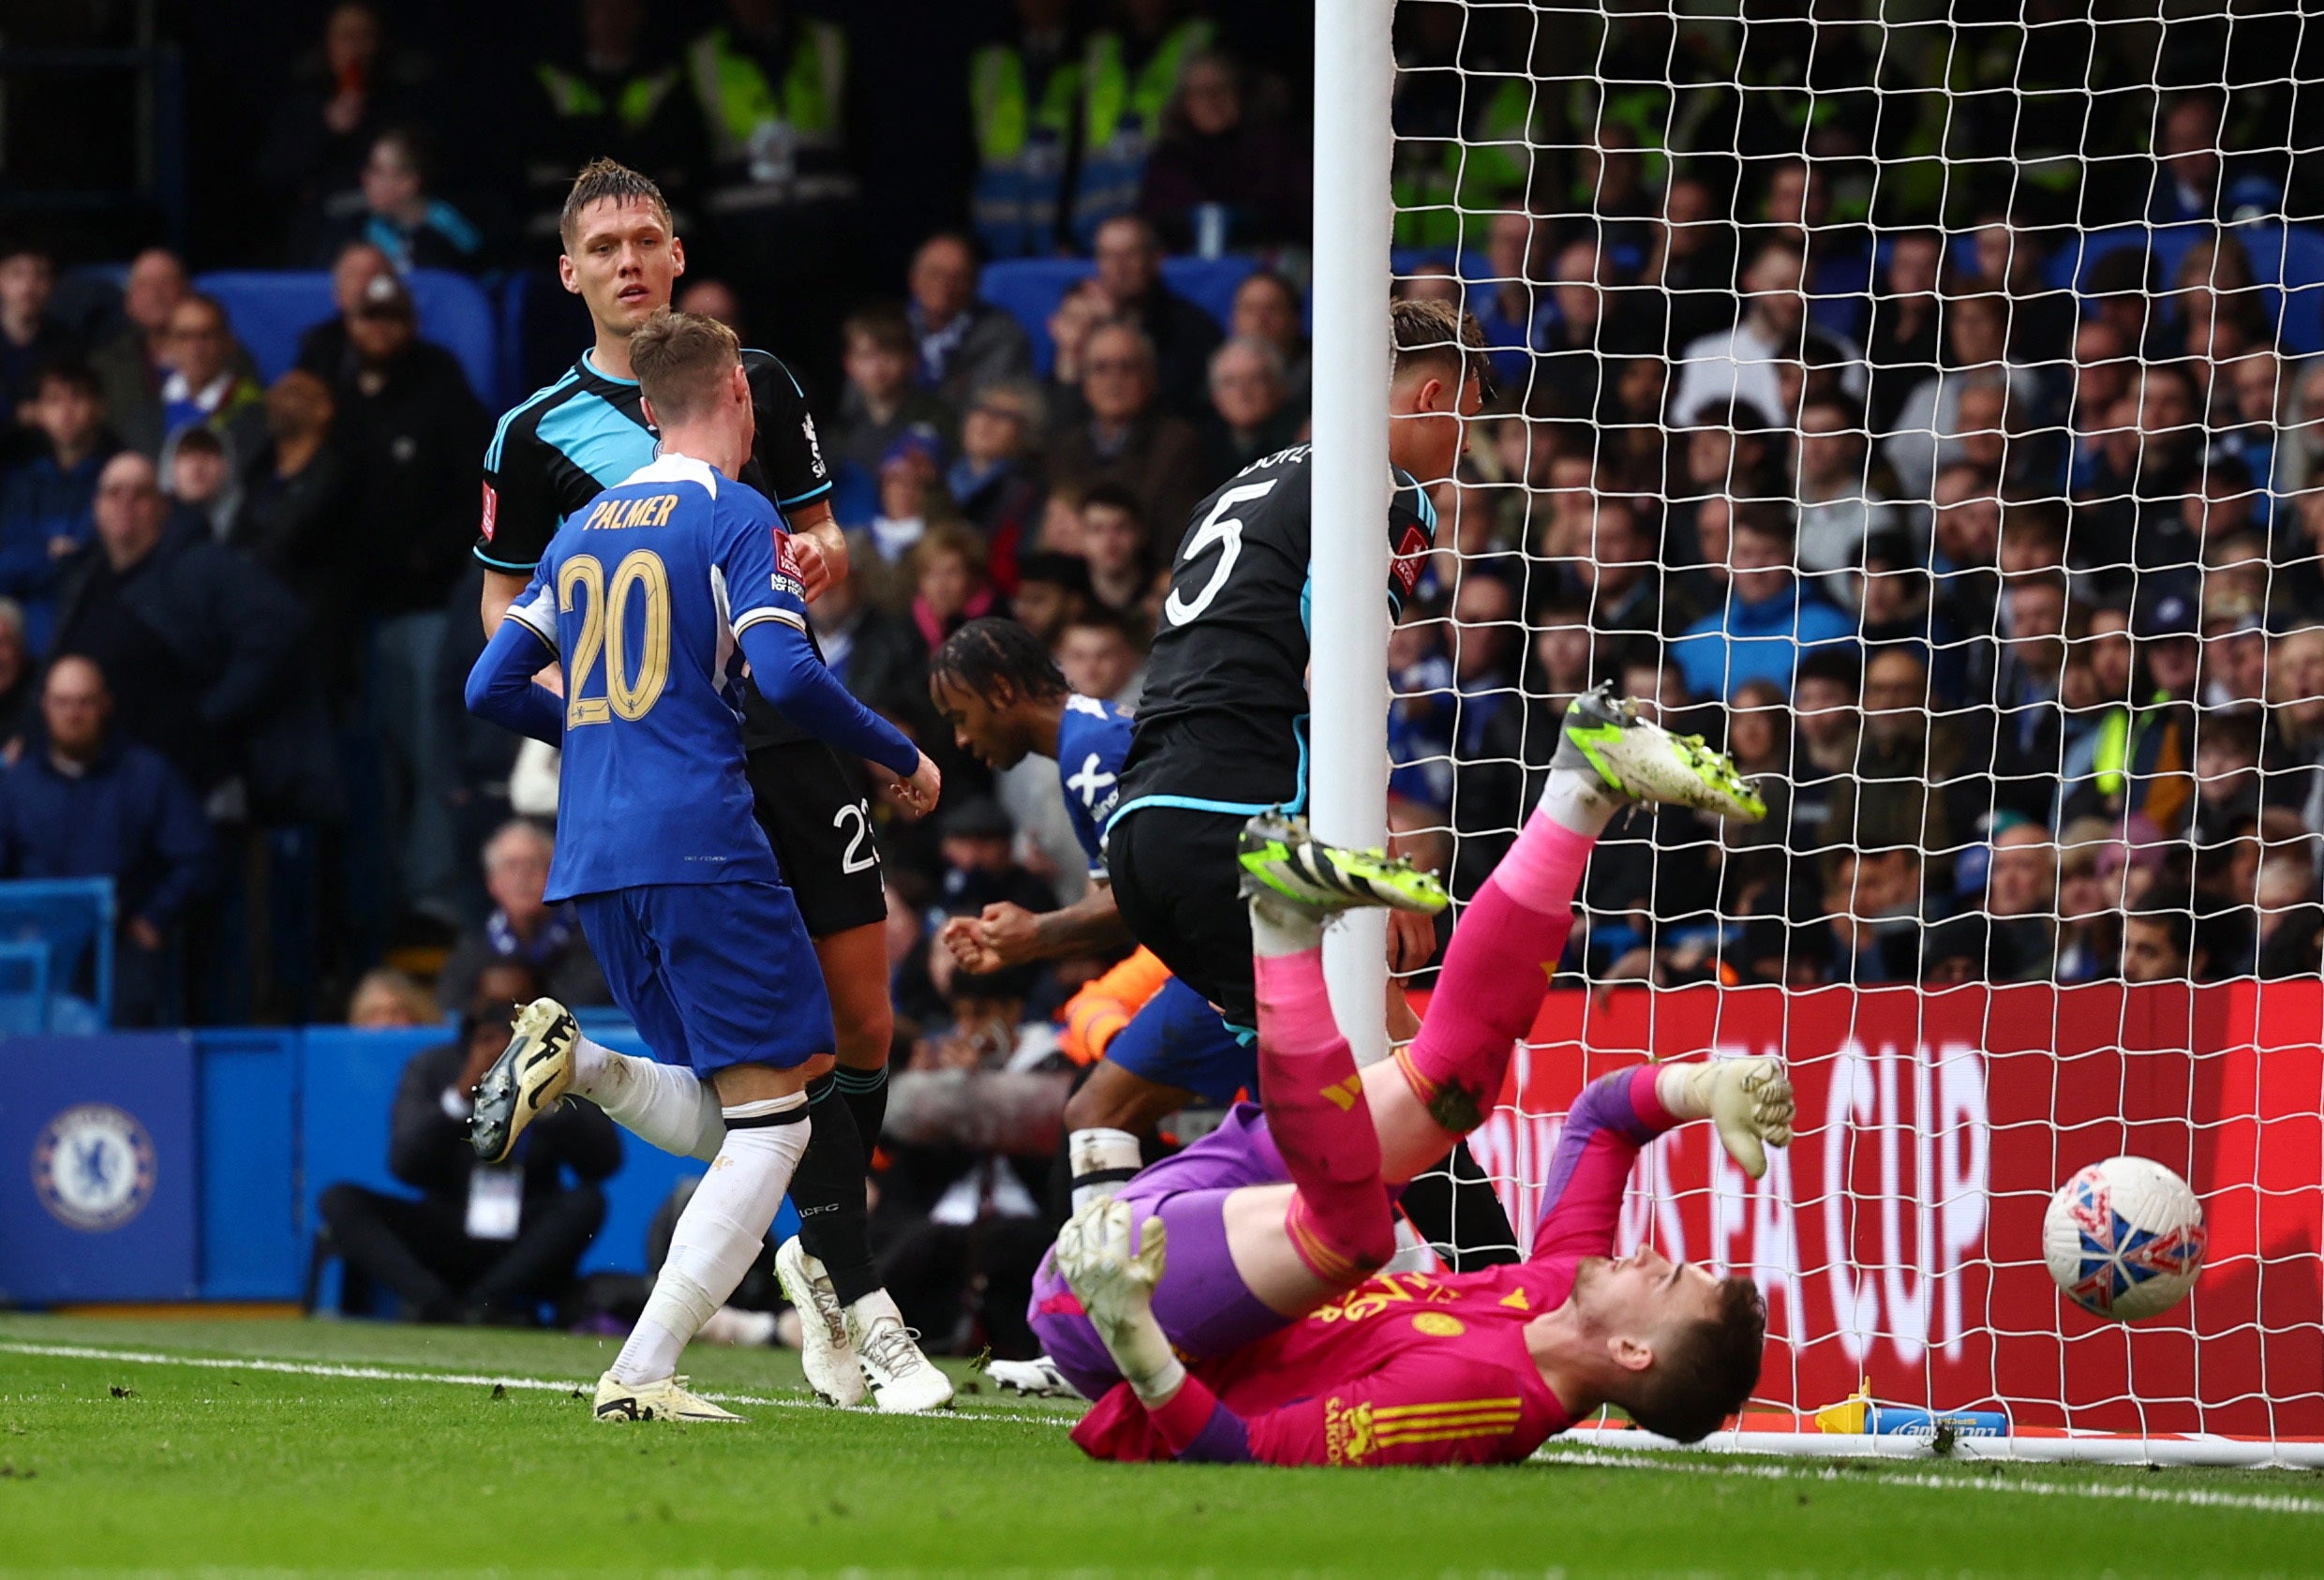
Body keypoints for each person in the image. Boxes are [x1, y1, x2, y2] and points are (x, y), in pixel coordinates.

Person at [1039, 692, 1783, 1464]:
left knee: (1356, 1232)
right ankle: (1582, 788)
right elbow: (1602, 1119)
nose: (1650, 1256)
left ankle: (1284, 932)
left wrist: (1131, 1331)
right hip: (1236, 1209)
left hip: (1117, 1301)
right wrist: (1700, 1089)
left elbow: (1248, 1451)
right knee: (1452, 1086)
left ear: (1633, 1352)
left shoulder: (1478, 1402)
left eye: (1665, 1281)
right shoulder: (1563, 1285)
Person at [463, 306, 952, 1421]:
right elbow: (784, 675)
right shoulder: (732, 513)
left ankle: (581, 1066)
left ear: (646, 412)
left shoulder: (582, 524)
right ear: (738, 394)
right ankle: (641, 1374)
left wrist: (599, 738)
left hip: (590, 851)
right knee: (781, 1116)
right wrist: (895, 748)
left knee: (750, 1108)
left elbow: (487, 685)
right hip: (699, 837)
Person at [926, 618, 1249, 1203]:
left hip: (1233, 963)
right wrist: (1019, 943)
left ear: (1000, 690)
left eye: (959, 717)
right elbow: (1123, 902)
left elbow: (1139, 899)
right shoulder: (1088, 740)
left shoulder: (1091, 754)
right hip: (1221, 959)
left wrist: (1037, 934)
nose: (962, 741)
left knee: (1096, 1114)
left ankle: (1099, 1287)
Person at [318, 967, 620, 1324]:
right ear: (473, 1008)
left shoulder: (562, 1070)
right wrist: (463, 1092)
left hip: (523, 1234)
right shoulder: (434, 1066)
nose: (507, 1018)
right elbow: (405, 1165)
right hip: (448, 1225)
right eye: (493, 1006)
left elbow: (604, 1163)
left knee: (588, 1202)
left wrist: (538, 1097)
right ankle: (438, 1306)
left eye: (519, 1008)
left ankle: (484, 1305)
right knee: (339, 1199)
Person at [0, 656, 212, 1025]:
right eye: (62, 703)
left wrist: (153, 918)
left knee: (125, 1024)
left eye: (84, 702)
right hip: (37, 943)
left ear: (105, 704)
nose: (73, 714)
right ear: (44, 707)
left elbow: (196, 855)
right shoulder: (18, 785)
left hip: (121, 940)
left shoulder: (147, 774)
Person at [1044, 320, 1204, 535]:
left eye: (1127, 368)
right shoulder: (1065, 448)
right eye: (1101, 369)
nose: (1114, 380)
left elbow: (1179, 536)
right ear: (1084, 381)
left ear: (1150, 378)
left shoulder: (1177, 445)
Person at [436, 819, 610, 1012]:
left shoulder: (595, 938)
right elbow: (451, 1010)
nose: (523, 877)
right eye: (511, 866)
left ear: (556, 876)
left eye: (533, 864)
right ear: (492, 882)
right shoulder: (472, 949)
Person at [0, 362, 116, 650]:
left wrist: (41, 552)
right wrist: (51, 554)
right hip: (22, 635)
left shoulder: (118, 479)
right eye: (53, 400)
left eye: (77, 396)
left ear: (100, 407)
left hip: (94, 627)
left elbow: (95, 565)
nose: (65, 411)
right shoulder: (23, 484)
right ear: (38, 413)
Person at [1087, 213, 1222, 418]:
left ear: (1156, 259)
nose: (1119, 268)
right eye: (1108, 256)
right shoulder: (1086, 324)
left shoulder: (1193, 327)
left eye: (1130, 255)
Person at [906, 232, 1035, 410]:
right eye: (935, 274)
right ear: (914, 279)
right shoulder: (892, 328)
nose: (945, 285)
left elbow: (986, 408)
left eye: (958, 277)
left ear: (975, 283)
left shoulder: (1002, 337)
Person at [0, 240, 79, 428]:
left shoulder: (67, 343)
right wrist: (15, 412)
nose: (28, 287)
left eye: (40, 275)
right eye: (16, 274)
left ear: (52, 284)